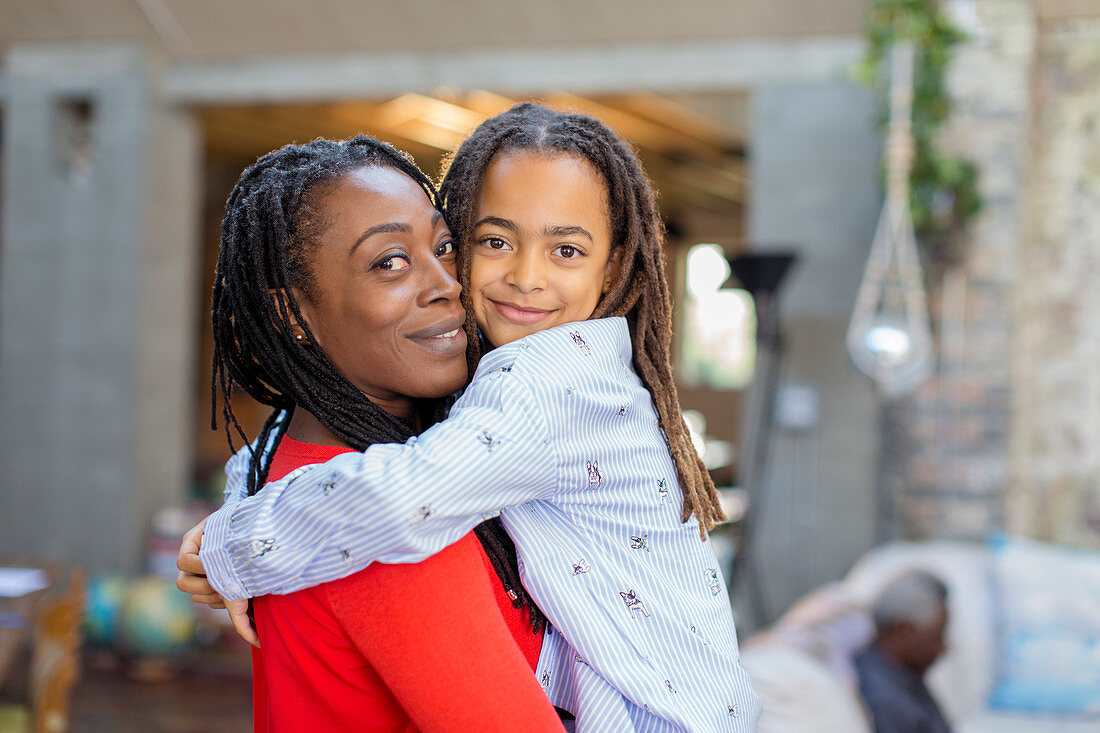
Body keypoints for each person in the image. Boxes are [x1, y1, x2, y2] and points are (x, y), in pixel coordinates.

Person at [188, 103, 762, 731]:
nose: (524, 277)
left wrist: (235, 542)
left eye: (566, 249)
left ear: (614, 265)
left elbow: (405, 497)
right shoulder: (496, 387)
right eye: (491, 242)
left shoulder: (545, 383)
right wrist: (242, 493)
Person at [187, 135, 565, 732]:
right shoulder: (390, 534)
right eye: (389, 261)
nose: (446, 282)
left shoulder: (289, 468)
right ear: (292, 315)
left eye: (444, 247)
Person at [854, 571, 952, 733]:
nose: (943, 648)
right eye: (936, 637)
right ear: (903, 631)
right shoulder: (886, 701)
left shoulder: (901, 675)